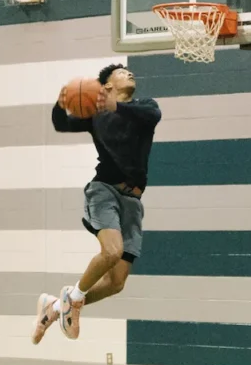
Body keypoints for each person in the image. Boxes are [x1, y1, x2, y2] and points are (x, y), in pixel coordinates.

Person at [32, 64, 161, 344]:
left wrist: (117, 106)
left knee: (116, 283)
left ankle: (55, 307)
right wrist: (61, 100)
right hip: (104, 190)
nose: (130, 72)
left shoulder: (144, 108)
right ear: (106, 87)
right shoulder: (96, 115)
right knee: (112, 251)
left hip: (132, 202)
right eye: (122, 72)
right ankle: (73, 299)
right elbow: (60, 123)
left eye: (130, 70)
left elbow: (154, 115)